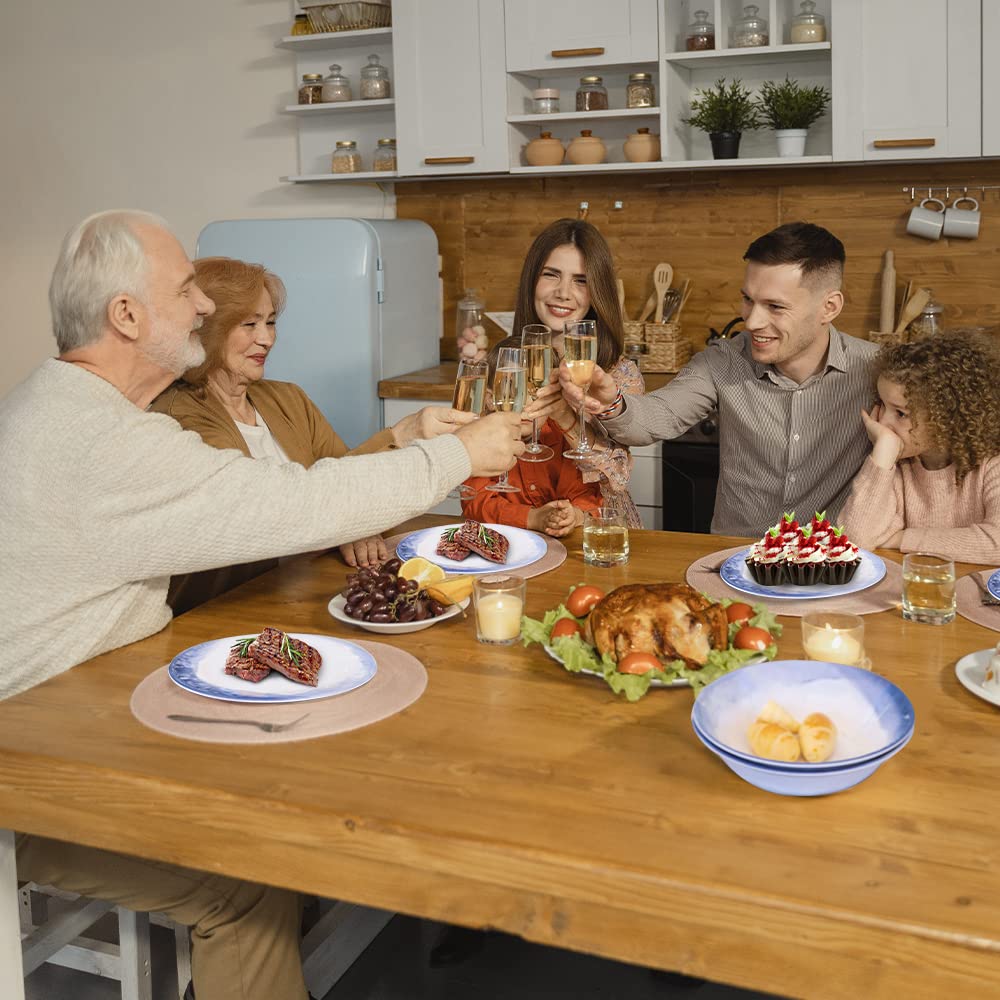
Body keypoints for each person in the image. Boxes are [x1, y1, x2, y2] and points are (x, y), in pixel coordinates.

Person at [0, 209, 523, 1000]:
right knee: (246, 880)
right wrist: (453, 452)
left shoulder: (67, 408)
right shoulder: (105, 441)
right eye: (185, 290)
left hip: (84, 715)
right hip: (32, 772)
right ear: (127, 315)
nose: (204, 308)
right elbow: (291, 506)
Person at [152, 256, 477, 612]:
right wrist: (398, 440)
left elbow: (343, 479)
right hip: (225, 610)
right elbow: (272, 510)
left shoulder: (287, 397)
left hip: (303, 592)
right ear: (208, 328)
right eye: (249, 324)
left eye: (271, 322)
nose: (267, 338)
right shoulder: (176, 417)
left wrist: (361, 512)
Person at [557, 222, 877, 537]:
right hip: (735, 563)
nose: (752, 321)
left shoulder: (876, 371)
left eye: (775, 307)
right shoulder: (723, 360)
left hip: (834, 569)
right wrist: (611, 401)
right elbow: (658, 415)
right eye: (748, 300)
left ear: (829, 307)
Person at [515, 218, 644, 529]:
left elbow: (616, 476)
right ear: (532, 280)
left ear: (597, 292)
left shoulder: (620, 373)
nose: (563, 292)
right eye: (551, 275)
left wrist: (564, 416)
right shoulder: (507, 367)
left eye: (581, 280)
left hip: (601, 533)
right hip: (525, 533)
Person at [839, 333, 1000, 562]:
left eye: (901, 413)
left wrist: (901, 539)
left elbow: (997, 543)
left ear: (946, 419)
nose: (883, 423)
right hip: (913, 591)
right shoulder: (897, 463)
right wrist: (883, 454)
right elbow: (855, 539)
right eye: (882, 405)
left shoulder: (992, 463)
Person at [460, 337, 604, 536]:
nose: (526, 403)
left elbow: (586, 494)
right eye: (513, 390)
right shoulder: (478, 440)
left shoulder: (564, 438)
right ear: (491, 400)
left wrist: (574, 515)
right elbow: (476, 504)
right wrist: (533, 517)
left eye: (536, 392)